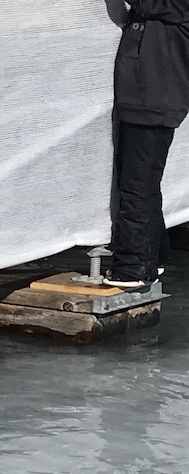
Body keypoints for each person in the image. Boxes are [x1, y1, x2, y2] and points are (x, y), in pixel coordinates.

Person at [105, 0, 189, 289]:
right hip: (145, 98)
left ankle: (134, 266)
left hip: (154, 101)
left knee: (137, 186)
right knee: (143, 184)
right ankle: (155, 256)